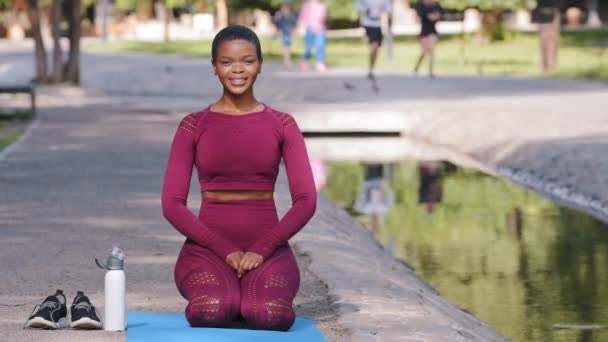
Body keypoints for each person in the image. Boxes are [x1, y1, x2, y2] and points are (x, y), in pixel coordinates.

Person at [161, 25, 317, 331]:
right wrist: (224, 249)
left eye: (247, 61)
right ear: (214, 67)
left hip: (267, 249)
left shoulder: (283, 124)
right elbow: (172, 204)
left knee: (269, 314)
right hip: (207, 250)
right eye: (227, 62)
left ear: (259, 65)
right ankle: (230, 293)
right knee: (212, 309)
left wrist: (263, 248)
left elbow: (306, 200)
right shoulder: (193, 125)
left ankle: (248, 294)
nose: (237, 70)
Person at [355, 0, 393, 82]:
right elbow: (358, 4)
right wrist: (364, 9)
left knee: (375, 50)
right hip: (367, 23)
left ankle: (371, 69)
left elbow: (389, 9)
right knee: (373, 47)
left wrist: (389, 21)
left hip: (378, 25)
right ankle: (370, 68)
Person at [413, 0, 443, 78]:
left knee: (432, 49)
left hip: (433, 30)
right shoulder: (420, 4)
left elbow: (440, 14)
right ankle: (417, 66)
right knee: (424, 51)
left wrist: (436, 16)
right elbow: (419, 15)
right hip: (424, 30)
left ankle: (431, 71)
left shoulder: (436, 4)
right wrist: (429, 16)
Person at [298, 0, 328, 72]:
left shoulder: (322, 5)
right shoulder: (306, 5)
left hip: (320, 28)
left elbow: (324, 18)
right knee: (308, 46)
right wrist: (301, 27)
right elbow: (302, 18)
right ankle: (305, 59)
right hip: (309, 28)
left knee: (320, 45)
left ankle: (319, 62)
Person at [533, 0, 561, 72]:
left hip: (547, 8)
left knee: (548, 38)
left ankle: (548, 65)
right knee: (549, 38)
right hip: (546, 8)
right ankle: (547, 65)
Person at [273, 1, 298, 69]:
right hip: (284, 33)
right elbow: (277, 23)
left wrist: (295, 30)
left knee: (288, 47)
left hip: (289, 33)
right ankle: (286, 60)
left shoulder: (291, 16)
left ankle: (287, 60)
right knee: (285, 47)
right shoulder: (281, 16)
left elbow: (294, 24)